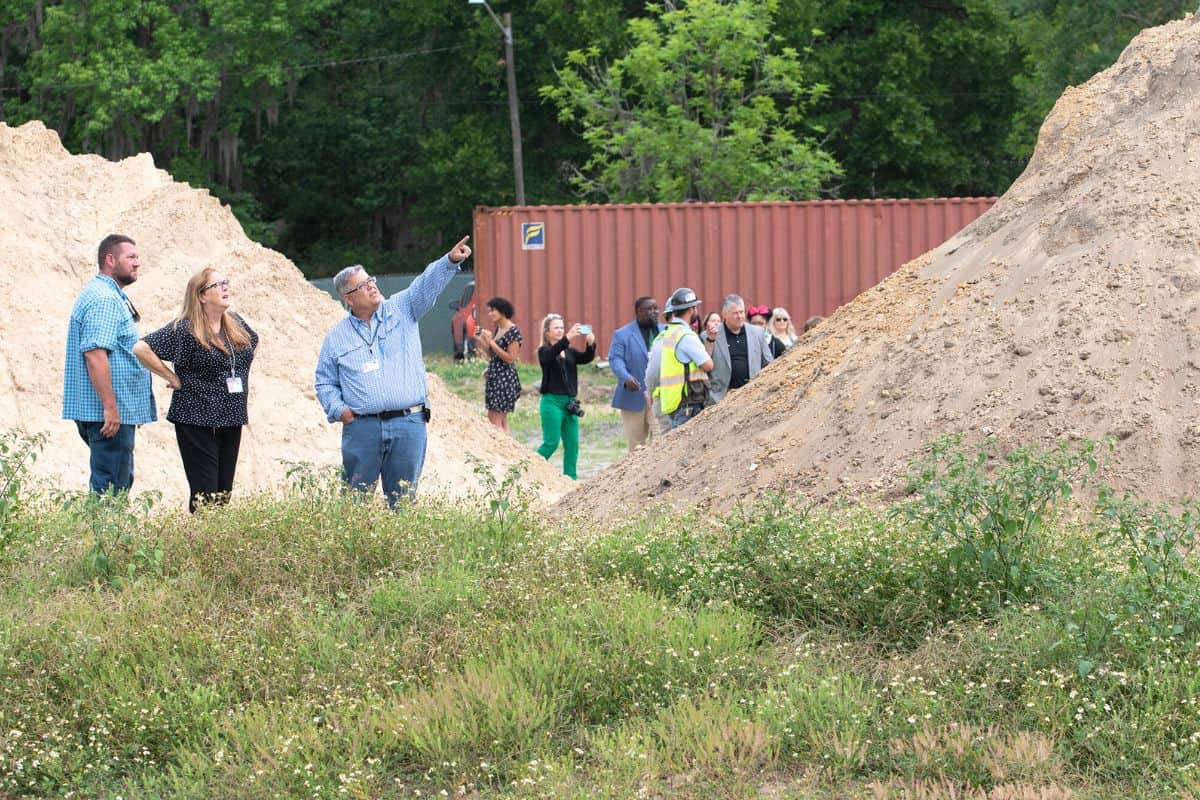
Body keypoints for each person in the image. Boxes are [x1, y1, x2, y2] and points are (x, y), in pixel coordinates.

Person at [315, 236, 472, 505]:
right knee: (354, 502)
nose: (372, 286)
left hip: (407, 424)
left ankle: (401, 548)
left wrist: (449, 261)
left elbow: (425, 285)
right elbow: (324, 382)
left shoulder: (402, 308)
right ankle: (354, 548)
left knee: (403, 503)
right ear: (348, 298)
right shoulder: (336, 338)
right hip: (362, 428)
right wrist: (339, 410)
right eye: (362, 285)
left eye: (371, 280)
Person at [134, 268, 258, 513]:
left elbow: (253, 342)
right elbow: (141, 348)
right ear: (201, 295)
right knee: (205, 492)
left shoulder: (235, 323)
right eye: (217, 285)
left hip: (231, 416)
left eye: (226, 282)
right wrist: (171, 376)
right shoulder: (185, 328)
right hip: (196, 417)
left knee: (224, 492)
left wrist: (236, 372)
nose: (225, 288)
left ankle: (218, 543)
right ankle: (204, 544)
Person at [62, 234, 158, 496]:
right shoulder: (104, 299)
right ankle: (104, 537)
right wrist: (111, 408)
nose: (137, 263)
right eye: (131, 257)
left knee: (115, 479)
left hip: (109, 412)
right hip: (106, 415)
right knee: (111, 488)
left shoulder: (107, 294)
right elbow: (95, 354)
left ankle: (106, 535)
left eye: (137, 257)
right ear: (110, 260)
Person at [536, 314, 595, 479]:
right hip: (551, 402)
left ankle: (570, 478)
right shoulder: (544, 351)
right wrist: (568, 337)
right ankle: (527, 469)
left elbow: (586, 358)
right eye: (556, 328)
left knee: (572, 444)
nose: (560, 330)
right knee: (551, 443)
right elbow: (551, 354)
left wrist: (590, 345)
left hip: (569, 403)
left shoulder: (569, 352)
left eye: (562, 327)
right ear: (547, 332)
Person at [607, 296, 665, 451]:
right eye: (650, 309)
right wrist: (625, 377)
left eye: (656, 308)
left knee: (661, 442)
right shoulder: (622, 334)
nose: (655, 312)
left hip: (660, 396)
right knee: (637, 447)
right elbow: (615, 359)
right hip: (633, 396)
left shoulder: (666, 331)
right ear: (638, 311)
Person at [654, 287, 714, 429]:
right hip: (688, 403)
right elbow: (708, 365)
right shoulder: (687, 336)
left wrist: (710, 341)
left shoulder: (671, 333)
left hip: (675, 402)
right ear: (691, 309)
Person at [708, 294, 773, 405]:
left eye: (742, 312)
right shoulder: (711, 335)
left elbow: (769, 364)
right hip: (721, 399)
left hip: (752, 397)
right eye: (735, 313)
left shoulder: (757, 333)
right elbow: (704, 365)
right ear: (724, 315)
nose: (740, 316)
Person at [475, 296, 522, 432]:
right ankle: (507, 450)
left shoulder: (513, 331)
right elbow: (493, 355)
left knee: (494, 421)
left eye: (493, 311)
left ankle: (502, 450)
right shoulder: (499, 329)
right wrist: (482, 340)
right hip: (496, 378)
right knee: (501, 421)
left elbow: (510, 358)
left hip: (504, 380)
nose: (490, 314)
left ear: (502, 311)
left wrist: (491, 342)